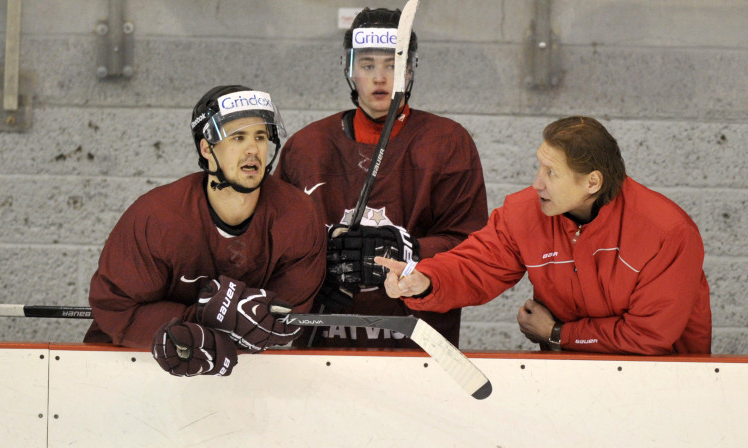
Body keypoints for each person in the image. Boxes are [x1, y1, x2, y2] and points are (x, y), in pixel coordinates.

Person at [377, 116, 712, 355]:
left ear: (592, 183)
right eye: (539, 166)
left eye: (551, 172)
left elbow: (649, 336)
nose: (537, 183)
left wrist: (556, 333)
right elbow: (475, 266)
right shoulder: (524, 213)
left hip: (665, 386)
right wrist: (425, 281)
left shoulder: (667, 232)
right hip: (566, 377)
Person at [275, 7, 488, 348]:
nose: (379, 78)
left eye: (392, 65)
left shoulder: (448, 143)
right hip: (321, 342)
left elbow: (476, 248)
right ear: (350, 70)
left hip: (419, 344)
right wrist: (314, 269)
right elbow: (272, 244)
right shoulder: (306, 147)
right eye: (367, 65)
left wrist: (412, 249)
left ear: (410, 70)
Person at [85, 85, 327, 375]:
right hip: (132, 367)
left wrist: (220, 322)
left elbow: (287, 317)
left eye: (260, 137)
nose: (253, 149)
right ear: (206, 149)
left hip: (244, 374)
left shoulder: (299, 215)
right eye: (238, 137)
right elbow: (115, 307)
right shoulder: (158, 217)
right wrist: (200, 321)